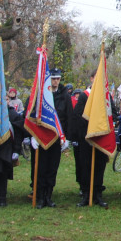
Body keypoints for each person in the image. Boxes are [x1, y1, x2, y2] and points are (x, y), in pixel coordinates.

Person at [69, 72, 109, 208]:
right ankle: (86, 194)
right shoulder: (84, 96)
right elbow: (77, 117)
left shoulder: (105, 96)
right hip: (86, 139)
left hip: (101, 138)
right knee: (86, 167)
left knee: (99, 166)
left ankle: (98, 193)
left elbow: (112, 113)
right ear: (92, 79)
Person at [34, 69, 71, 208]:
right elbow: (34, 114)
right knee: (41, 168)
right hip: (43, 137)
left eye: (58, 78)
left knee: (52, 168)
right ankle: (40, 197)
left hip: (57, 137)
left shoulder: (65, 96)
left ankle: (49, 196)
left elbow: (68, 116)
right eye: (53, 78)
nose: (56, 81)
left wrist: (67, 137)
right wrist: (33, 136)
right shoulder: (42, 95)